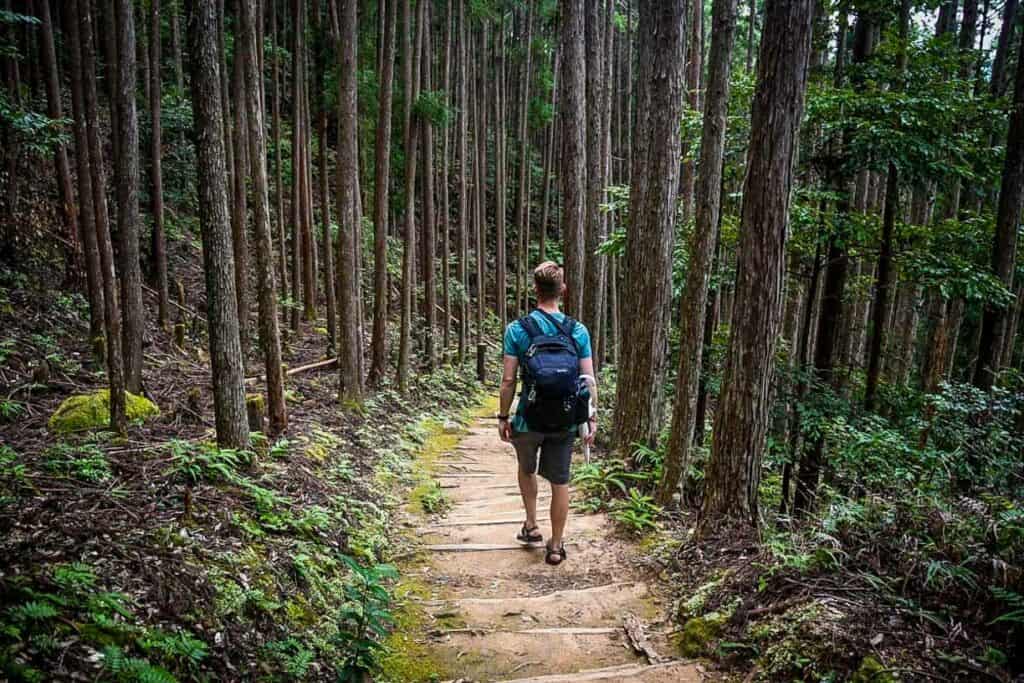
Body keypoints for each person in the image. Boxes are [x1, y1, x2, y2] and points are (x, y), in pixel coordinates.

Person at [498, 261, 597, 566]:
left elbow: (509, 380)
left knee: (526, 469)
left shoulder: (518, 329)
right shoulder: (577, 331)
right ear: (562, 290)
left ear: (535, 290)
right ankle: (556, 545)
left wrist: (503, 417)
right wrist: (590, 419)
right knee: (560, 481)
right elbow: (588, 380)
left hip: (529, 416)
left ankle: (531, 525)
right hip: (565, 418)